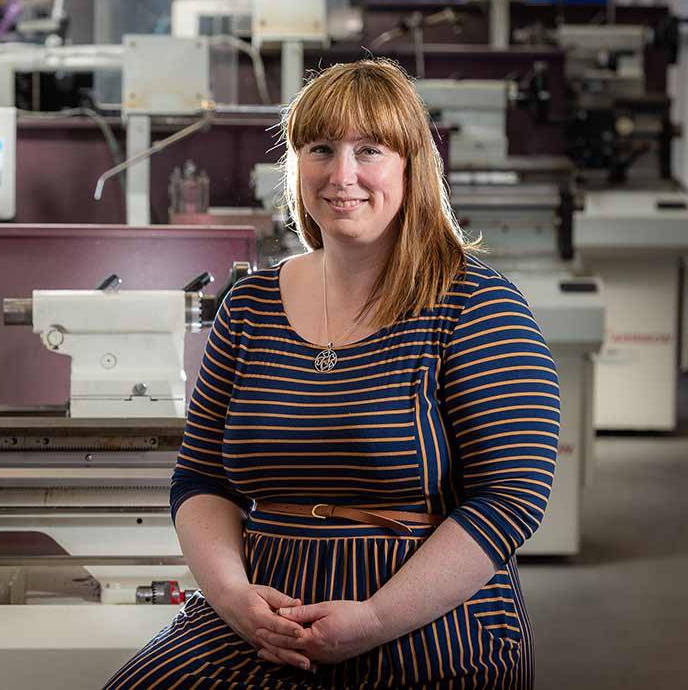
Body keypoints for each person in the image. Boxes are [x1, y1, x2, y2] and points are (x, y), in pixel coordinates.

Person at [104, 57, 560, 689]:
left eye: (369, 150)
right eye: (320, 149)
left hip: (427, 620)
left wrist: (374, 619)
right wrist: (233, 598)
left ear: (411, 166)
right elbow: (202, 478)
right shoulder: (251, 306)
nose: (342, 175)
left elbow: (510, 497)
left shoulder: (475, 305)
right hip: (261, 617)